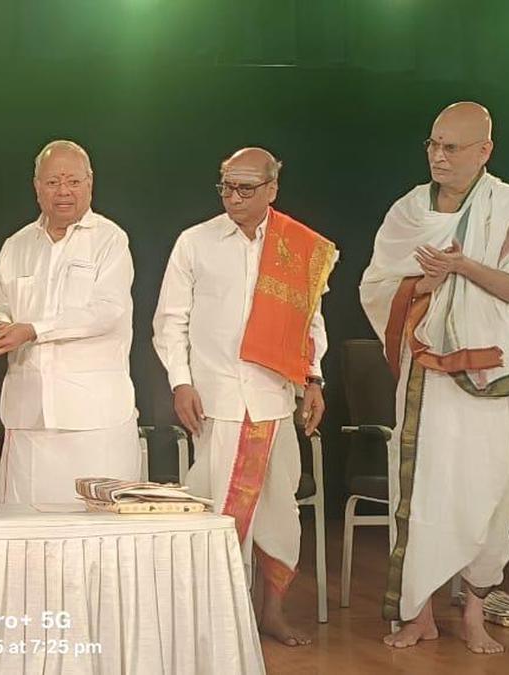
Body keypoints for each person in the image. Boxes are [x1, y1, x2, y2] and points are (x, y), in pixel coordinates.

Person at [361, 101, 509, 654]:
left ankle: (474, 615)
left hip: (491, 378)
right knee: (422, 492)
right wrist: (422, 285)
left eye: (451, 147)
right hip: (427, 379)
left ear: (484, 150)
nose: (438, 156)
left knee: (489, 493)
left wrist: (464, 266)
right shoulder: (409, 211)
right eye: (433, 144)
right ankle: (420, 615)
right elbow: (377, 289)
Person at [153, 147, 336, 647]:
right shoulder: (195, 242)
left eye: (246, 188)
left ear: (272, 189)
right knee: (215, 508)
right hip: (217, 401)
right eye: (226, 187)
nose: (233, 197)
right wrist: (180, 382)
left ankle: (270, 612)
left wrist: (314, 380)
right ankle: (212, 620)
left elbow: (309, 321)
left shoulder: (296, 246)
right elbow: (170, 321)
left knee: (280, 512)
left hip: (273, 399)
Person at [0, 139, 139, 502]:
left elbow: (107, 311)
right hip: (29, 414)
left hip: (94, 417)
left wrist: (33, 330)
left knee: (98, 528)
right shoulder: (17, 244)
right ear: (37, 187)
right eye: (52, 182)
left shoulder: (110, 239)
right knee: (26, 526)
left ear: (90, 183)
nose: (63, 191)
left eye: (73, 181)